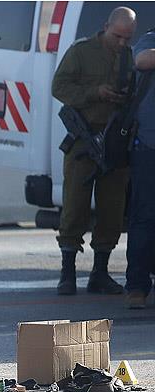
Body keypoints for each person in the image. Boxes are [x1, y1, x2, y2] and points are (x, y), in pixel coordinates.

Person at [51, 7, 137, 296]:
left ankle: (100, 272)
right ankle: (67, 274)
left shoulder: (128, 57)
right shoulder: (82, 52)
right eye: (118, 36)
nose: (122, 43)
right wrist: (94, 93)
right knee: (74, 207)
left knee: (112, 209)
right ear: (105, 27)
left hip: (113, 141)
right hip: (83, 140)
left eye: (128, 38)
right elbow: (59, 87)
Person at [126, 25, 155, 309]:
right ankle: (137, 287)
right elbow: (143, 60)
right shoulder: (149, 39)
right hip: (148, 147)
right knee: (144, 218)